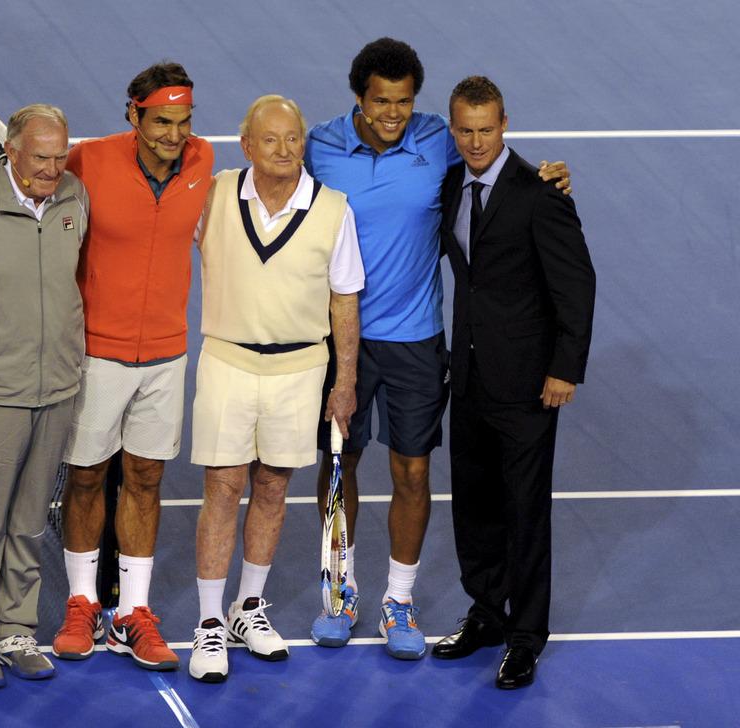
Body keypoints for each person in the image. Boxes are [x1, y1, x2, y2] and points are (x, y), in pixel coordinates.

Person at [305, 37, 572, 658]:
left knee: (413, 470)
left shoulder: (436, 138)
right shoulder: (318, 145)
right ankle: (339, 592)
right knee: (340, 467)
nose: (393, 114)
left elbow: (493, 159)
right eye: (380, 102)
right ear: (358, 99)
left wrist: (548, 176)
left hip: (417, 341)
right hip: (339, 340)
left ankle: (399, 600)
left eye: (403, 101)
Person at [188, 96, 364, 683]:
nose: (285, 151)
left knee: (271, 488)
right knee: (222, 487)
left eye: (293, 140)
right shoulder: (212, 195)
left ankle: (249, 608)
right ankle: (210, 622)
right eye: (271, 140)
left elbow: (344, 299)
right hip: (227, 362)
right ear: (246, 146)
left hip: (300, 370)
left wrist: (345, 380)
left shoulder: (334, 209)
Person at [432, 76, 595, 689]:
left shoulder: (541, 192)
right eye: (465, 130)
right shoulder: (452, 185)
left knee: (524, 512)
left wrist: (564, 369)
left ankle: (526, 636)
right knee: (474, 506)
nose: (476, 141)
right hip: (470, 377)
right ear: (455, 130)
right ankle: (486, 614)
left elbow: (576, 286)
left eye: (486, 129)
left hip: (529, 384)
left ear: (506, 125)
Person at [52, 62, 213, 672]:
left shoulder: (203, 166)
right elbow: (30, 189)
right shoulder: (89, 161)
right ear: (134, 115)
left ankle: (132, 614)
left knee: (145, 478)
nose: (174, 135)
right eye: (161, 122)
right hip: (96, 353)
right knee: (88, 477)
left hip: (167, 356)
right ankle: (81, 602)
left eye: (183, 122)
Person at [0, 104, 89, 689]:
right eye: (41, 157)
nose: (53, 169)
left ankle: (14, 628)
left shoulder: (75, 197)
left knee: (30, 519)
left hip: (56, 386)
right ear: (10, 150)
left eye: (61, 156)